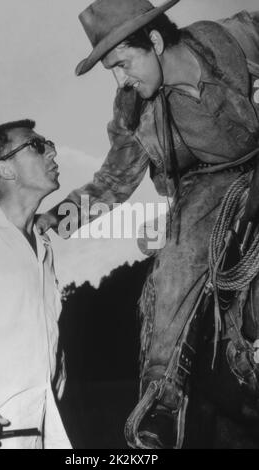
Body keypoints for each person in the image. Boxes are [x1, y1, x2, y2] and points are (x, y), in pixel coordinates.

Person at [37, 0, 259, 448]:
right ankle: (163, 397)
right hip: (207, 183)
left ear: (154, 42)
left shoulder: (235, 38)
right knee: (175, 260)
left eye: (124, 64)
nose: (123, 80)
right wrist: (50, 222)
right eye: (113, 72)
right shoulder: (133, 110)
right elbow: (112, 182)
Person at [0, 120, 72, 449]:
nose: (52, 151)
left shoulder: (43, 245)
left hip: (39, 433)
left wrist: (53, 353)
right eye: (37, 145)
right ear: (5, 169)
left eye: (49, 142)